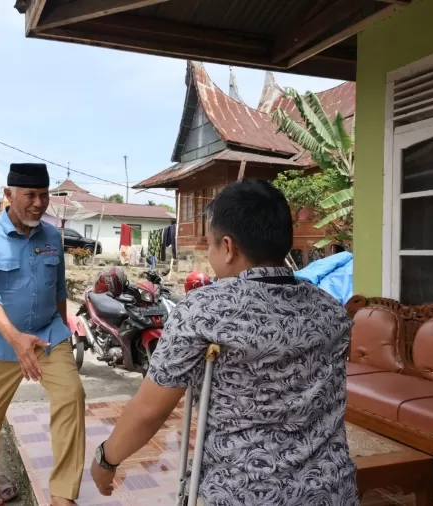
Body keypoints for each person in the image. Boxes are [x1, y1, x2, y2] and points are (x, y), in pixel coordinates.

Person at [90, 180, 358, 506]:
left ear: (228, 248)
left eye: (211, 244)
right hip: (331, 490)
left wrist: (107, 459)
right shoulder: (331, 309)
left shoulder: (204, 309)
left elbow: (149, 409)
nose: (208, 252)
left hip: (241, 493)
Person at [0, 163, 84, 506]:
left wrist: (65, 334)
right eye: (30, 195)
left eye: (44, 195)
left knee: (71, 395)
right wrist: (15, 338)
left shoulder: (52, 236)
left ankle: (63, 493)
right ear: (8, 195)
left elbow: (59, 289)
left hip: (48, 334)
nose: (38, 203)